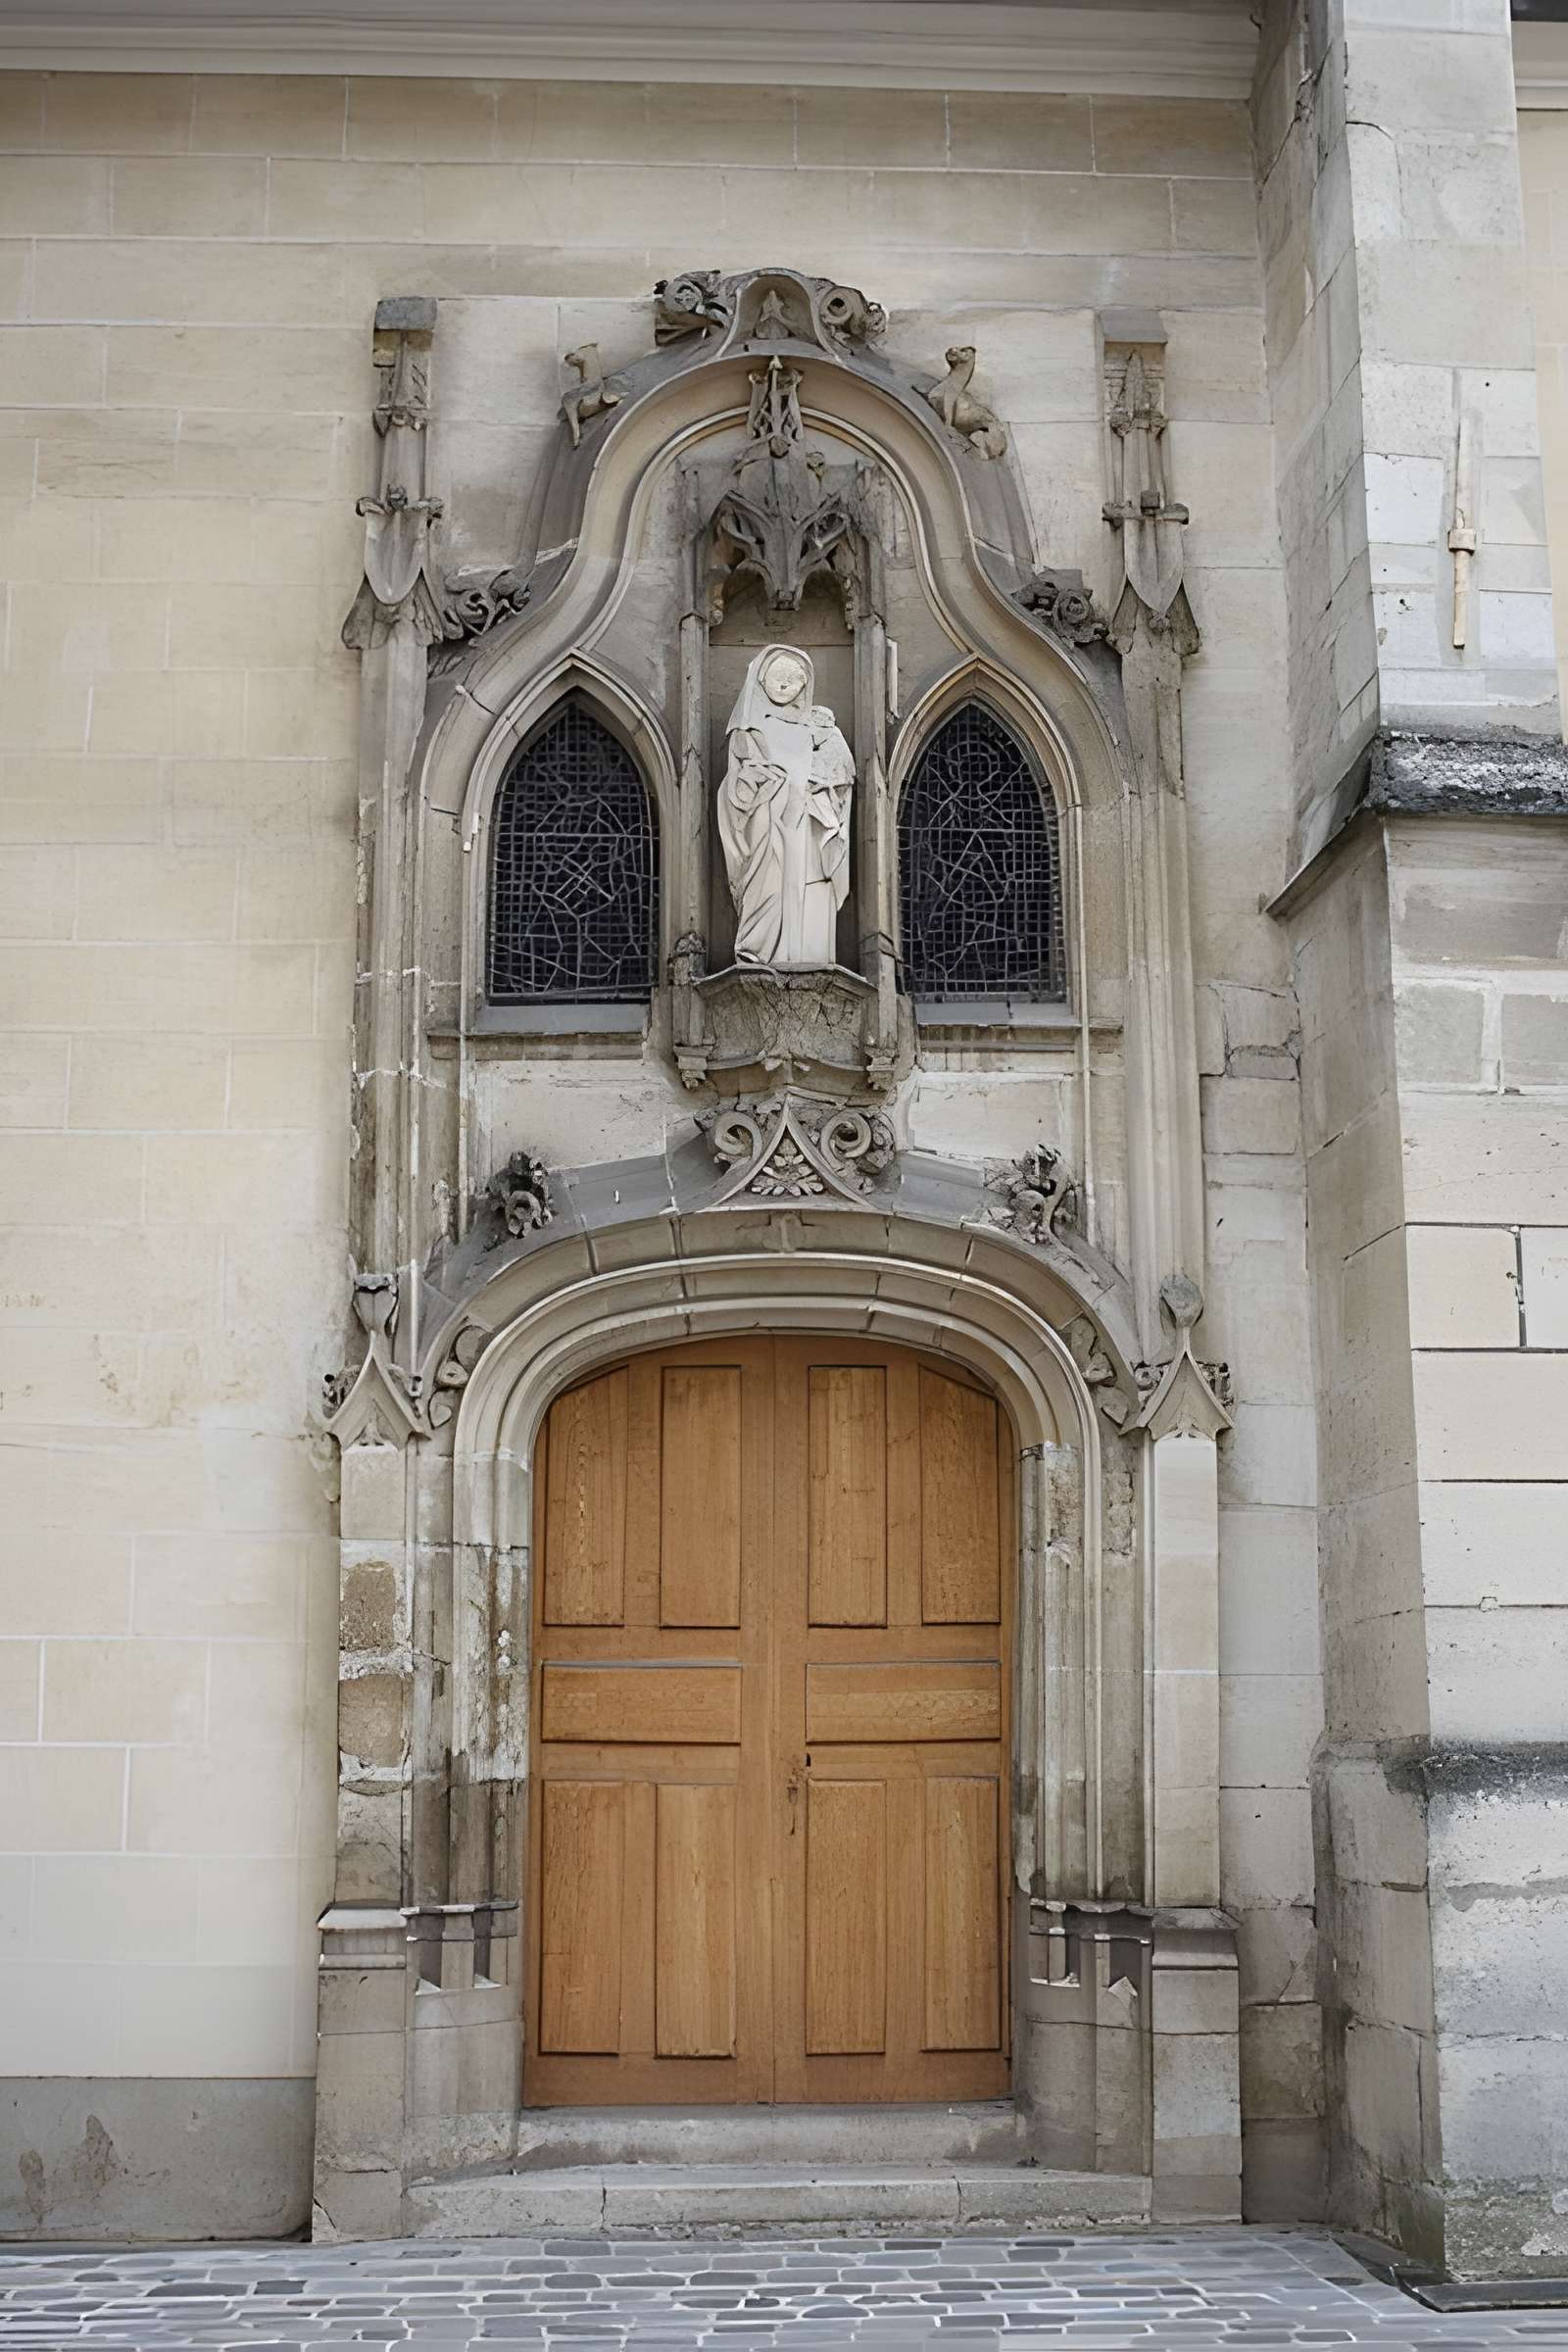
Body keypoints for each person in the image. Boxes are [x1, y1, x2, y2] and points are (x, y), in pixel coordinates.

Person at [717, 643, 854, 966]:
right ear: (762, 679)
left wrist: (820, 784)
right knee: (770, 890)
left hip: (808, 829)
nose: (783, 684)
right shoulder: (749, 731)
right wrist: (758, 782)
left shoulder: (820, 729)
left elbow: (843, 773)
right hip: (768, 830)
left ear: (806, 683)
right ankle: (760, 952)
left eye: (793, 677)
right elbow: (736, 791)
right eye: (776, 676)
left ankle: (810, 956)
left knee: (810, 893)